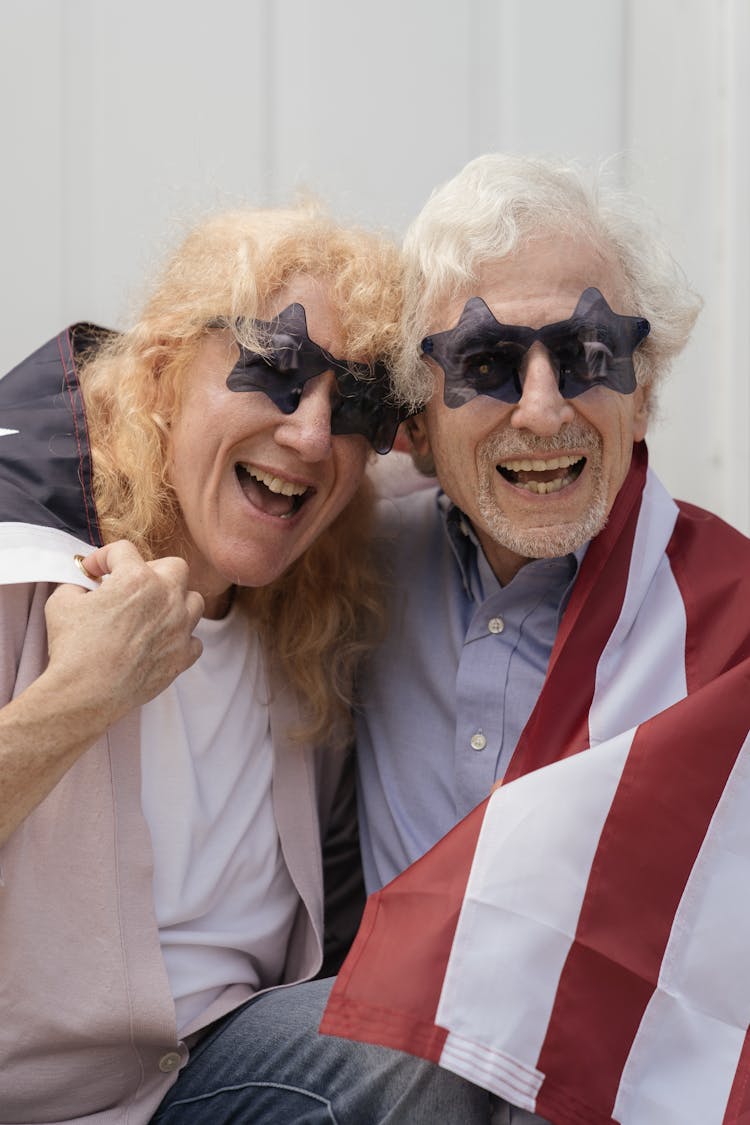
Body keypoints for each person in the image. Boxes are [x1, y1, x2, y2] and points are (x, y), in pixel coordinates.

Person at [225, 154, 750, 1124]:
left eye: (590, 352)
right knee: (402, 1043)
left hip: (612, 1089)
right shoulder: (343, 550)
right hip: (375, 1076)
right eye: (485, 364)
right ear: (414, 421)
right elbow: (154, 434)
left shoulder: (733, 623)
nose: (544, 408)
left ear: (645, 392)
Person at [0, 203, 487, 1125]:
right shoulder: (20, 568)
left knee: (426, 1029)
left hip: (222, 1077)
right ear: (159, 374)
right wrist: (78, 695)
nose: (310, 432)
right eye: (275, 366)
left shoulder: (318, 609)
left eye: (355, 405)